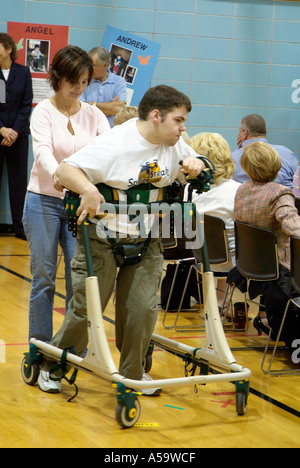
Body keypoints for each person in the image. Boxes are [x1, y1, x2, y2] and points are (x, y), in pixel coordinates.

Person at [38, 84, 206, 395]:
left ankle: (134, 372)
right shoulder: (114, 144)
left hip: (146, 240)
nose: (183, 128)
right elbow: (65, 169)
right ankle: (55, 365)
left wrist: (197, 163)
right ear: (156, 116)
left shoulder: (175, 144)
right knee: (88, 309)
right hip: (101, 238)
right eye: (179, 120)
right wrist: (88, 190)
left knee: (141, 309)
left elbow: (196, 164)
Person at [22, 46, 111, 354]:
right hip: (42, 202)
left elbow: (106, 154)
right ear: (58, 78)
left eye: (85, 81)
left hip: (81, 205)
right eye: (73, 80)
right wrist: (58, 172)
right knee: (44, 277)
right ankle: (41, 347)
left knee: (80, 280)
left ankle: (72, 348)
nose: (78, 88)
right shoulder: (43, 111)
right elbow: (43, 150)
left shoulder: (95, 115)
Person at [230, 141, 300, 349]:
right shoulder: (279, 193)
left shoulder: (241, 190)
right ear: (276, 165)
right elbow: (293, 227)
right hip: (279, 268)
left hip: (249, 264)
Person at [187, 133, 241, 310]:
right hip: (235, 264)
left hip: (199, 258)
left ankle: (220, 300)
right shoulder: (236, 191)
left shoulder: (190, 190)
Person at [0, 33, 33, 239]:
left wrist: (14, 132)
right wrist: (2, 129)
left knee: (19, 183)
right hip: (0, 133)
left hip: (18, 137)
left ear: (9, 48)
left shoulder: (23, 72)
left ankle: (20, 228)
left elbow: (26, 105)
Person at [232, 114, 298, 189]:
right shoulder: (286, 153)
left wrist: (239, 150)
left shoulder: (233, 158)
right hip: (287, 198)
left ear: (244, 132)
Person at [79, 46, 127, 127]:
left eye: (93, 65)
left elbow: (118, 108)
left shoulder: (119, 81)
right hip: (88, 133)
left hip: (111, 134)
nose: (89, 68)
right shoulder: (82, 81)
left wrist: (92, 104)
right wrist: (110, 107)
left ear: (105, 65)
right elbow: (80, 110)